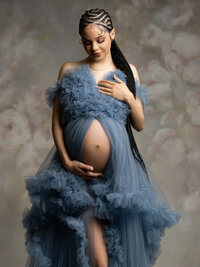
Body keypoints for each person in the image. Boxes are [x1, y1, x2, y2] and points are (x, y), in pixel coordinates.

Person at [22, 8, 181, 267]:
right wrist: (67, 161)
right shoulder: (70, 70)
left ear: (112, 34)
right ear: (80, 40)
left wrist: (128, 96)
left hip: (118, 177)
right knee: (96, 260)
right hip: (78, 179)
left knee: (117, 252)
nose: (93, 47)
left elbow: (139, 124)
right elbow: (57, 124)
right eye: (87, 41)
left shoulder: (127, 72)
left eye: (100, 40)